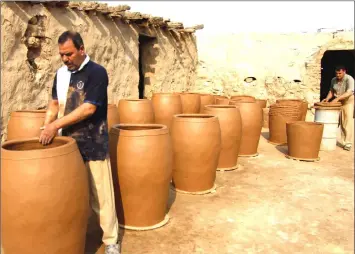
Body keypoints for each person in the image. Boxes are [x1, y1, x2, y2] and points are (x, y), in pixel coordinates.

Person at [39, 31, 120, 254]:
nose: (65, 59)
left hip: (94, 142)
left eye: (69, 54)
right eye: (61, 55)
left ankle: (111, 239)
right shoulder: (61, 74)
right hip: (68, 146)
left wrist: (54, 126)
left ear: (81, 49)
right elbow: (55, 103)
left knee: (101, 195)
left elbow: (89, 108)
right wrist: (47, 124)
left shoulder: (97, 72)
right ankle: (74, 233)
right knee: (71, 193)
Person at [322, 65, 354, 151]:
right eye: (336, 73)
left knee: (346, 122)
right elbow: (331, 91)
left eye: (340, 73)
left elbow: (349, 92)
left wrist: (337, 99)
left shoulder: (349, 79)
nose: (338, 75)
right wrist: (327, 98)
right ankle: (338, 140)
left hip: (348, 101)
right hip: (338, 101)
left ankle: (347, 143)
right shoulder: (333, 80)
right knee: (337, 121)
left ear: (344, 72)